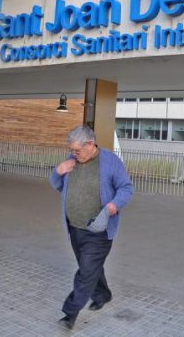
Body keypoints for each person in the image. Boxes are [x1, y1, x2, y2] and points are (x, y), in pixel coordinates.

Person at [49, 125, 133, 330]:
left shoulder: (110, 162)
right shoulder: (72, 160)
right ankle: (102, 294)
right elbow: (57, 185)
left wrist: (113, 206)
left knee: (86, 272)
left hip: (98, 231)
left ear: (90, 144)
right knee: (90, 268)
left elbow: (126, 188)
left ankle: (70, 313)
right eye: (71, 150)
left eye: (77, 150)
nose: (73, 153)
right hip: (74, 228)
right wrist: (58, 171)